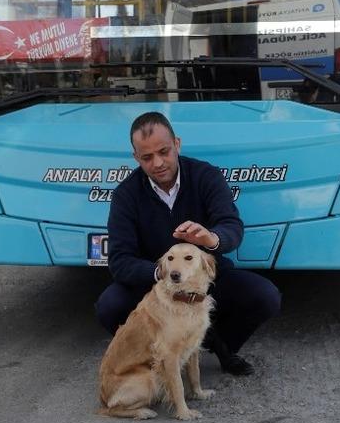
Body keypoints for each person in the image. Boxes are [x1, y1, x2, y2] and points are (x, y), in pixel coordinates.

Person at [95, 111, 281, 376]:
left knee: (265, 296)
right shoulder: (126, 194)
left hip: (203, 278)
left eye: (164, 151)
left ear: (177, 145)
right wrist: (163, 273)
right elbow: (119, 261)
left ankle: (218, 345)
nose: (158, 162)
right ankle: (156, 354)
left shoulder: (206, 176)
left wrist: (210, 238)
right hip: (154, 285)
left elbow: (232, 226)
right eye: (147, 157)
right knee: (109, 306)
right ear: (136, 158)